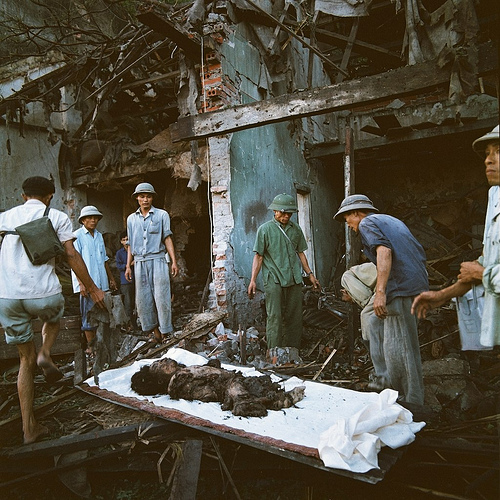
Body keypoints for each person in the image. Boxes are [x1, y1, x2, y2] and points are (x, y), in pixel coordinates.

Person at [0, 177, 105, 444]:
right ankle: (46, 352)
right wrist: (92, 288)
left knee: (25, 360)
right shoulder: (56, 216)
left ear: (23, 195)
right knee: (54, 315)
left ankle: (28, 428)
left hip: (9, 297)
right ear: (49, 196)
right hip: (43, 294)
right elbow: (71, 255)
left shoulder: (6, 217)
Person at [334, 194, 428, 405]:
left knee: (404, 346)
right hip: (414, 284)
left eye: (347, 219)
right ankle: (384, 377)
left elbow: (384, 252)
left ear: (356, 213)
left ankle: (411, 401)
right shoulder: (391, 221)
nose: (347, 224)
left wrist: (380, 292)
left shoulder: (368, 223)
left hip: (402, 287)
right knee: (371, 318)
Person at [412, 125, 500, 347]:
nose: (488, 160)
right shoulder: (496, 196)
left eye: (498, 151)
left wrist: (482, 273)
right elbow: (484, 264)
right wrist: (442, 295)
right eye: (487, 153)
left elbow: (481, 271)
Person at [248, 193, 320, 352]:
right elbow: (258, 256)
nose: (286, 216)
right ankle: (274, 353)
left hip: (294, 278)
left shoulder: (295, 230)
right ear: (274, 211)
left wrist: (310, 275)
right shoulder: (265, 229)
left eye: (289, 213)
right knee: (275, 316)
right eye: (282, 212)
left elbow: (301, 253)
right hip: (273, 278)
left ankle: (292, 352)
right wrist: (253, 280)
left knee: (294, 316)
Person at [125, 182, 178, 344]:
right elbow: (130, 245)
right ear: (137, 199)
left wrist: (174, 261)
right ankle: (155, 332)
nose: (145, 199)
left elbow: (167, 238)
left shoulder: (162, 215)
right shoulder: (131, 219)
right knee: (143, 300)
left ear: (152, 197)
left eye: (148, 196)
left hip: (158, 259)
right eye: (142, 196)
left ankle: (166, 332)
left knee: (162, 296)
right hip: (139, 262)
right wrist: (128, 265)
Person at [72, 206, 117, 356]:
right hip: (86, 283)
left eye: (95, 218)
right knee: (88, 316)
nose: (93, 220)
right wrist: (81, 283)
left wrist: (111, 279)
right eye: (89, 218)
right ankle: (91, 348)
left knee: (103, 315)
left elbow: (104, 260)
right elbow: (73, 262)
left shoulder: (98, 236)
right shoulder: (76, 236)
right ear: (83, 220)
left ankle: (101, 346)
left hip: (101, 282)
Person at [116, 230, 135, 331]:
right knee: (127, 304)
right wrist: (128, 265)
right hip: (125, 282)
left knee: (135, 302)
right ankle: (129, 324)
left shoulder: (134, 251)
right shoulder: (119, 253)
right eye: (124, 240)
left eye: (127, 239)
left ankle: (137, 324)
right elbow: (118, 266)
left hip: (136, 280)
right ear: (121, 242)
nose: (126, 242)